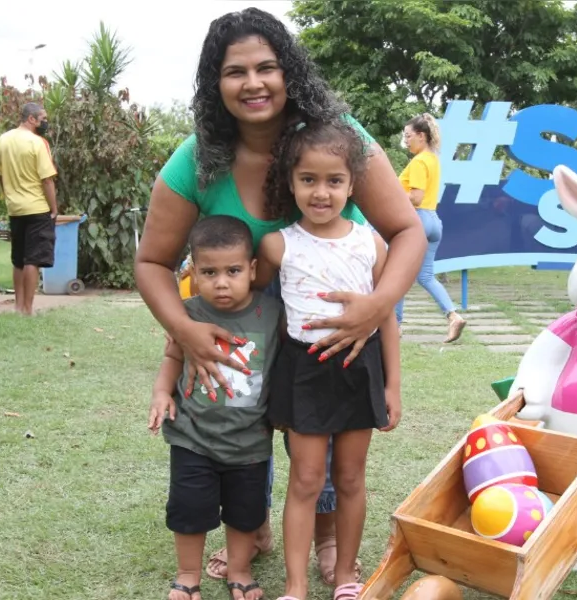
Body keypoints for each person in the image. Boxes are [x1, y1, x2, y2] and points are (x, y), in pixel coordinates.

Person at [133, 7, 425, 587]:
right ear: (215, 84)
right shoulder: (198, 158)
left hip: (338, 331)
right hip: (252, 334)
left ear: (289, 71)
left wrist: (378, 303)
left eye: (267, 66)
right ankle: (256, 528)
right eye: (235, 71)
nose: (254, 83)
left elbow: (407, 229)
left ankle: (329, 537)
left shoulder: (339, 138)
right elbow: (151, 261)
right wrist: (186, 331)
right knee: (250, 427)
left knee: (322, 453)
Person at [255, 118, 401, 600]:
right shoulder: (278, 245)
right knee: (306, 478)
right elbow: (262, 309)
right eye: (309, 180)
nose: (322, 192)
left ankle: (345, 578)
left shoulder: (371, 243)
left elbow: (387, 319)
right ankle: (295, 587)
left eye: (334, 180)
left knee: (352, 476)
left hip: (359, 370)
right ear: (291, 183)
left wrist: (393, 386)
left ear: (352, 184)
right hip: (305, 373)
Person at [149, 216, 279, 600]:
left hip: (250, 442)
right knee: (188, 509)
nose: (221, 282)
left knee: (245, 512)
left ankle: (239, 569)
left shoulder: (272, 315)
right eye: (209, 272)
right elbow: (173, 356)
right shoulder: (186, 313)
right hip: (193, 437)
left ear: (252, 269)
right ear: (193, 271)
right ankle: (188, 575)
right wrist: (161, 393)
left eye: (233, 271)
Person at [393, 114, 467, 342]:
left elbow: (415, 198)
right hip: (433, 221)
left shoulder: (418, 162)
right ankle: (453, 316)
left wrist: (390, 198)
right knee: (425, 276)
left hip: (416, 221)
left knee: (395, 274)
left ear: (421, 136)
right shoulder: (432, 159)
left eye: (408, 136)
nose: (405, 140)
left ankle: (395, 327)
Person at [0, 102, 58, 316]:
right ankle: (28, 310)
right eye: (43, 118)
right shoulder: (37, 142)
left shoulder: (2, 140)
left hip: (15, 209)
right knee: (33, 259)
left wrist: (9, 198)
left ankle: (18, 307)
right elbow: (47, 180)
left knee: (19, 259)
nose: (45, 123)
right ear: (31, 119)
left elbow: (0, 176)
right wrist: (54, 208)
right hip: (37, 208)